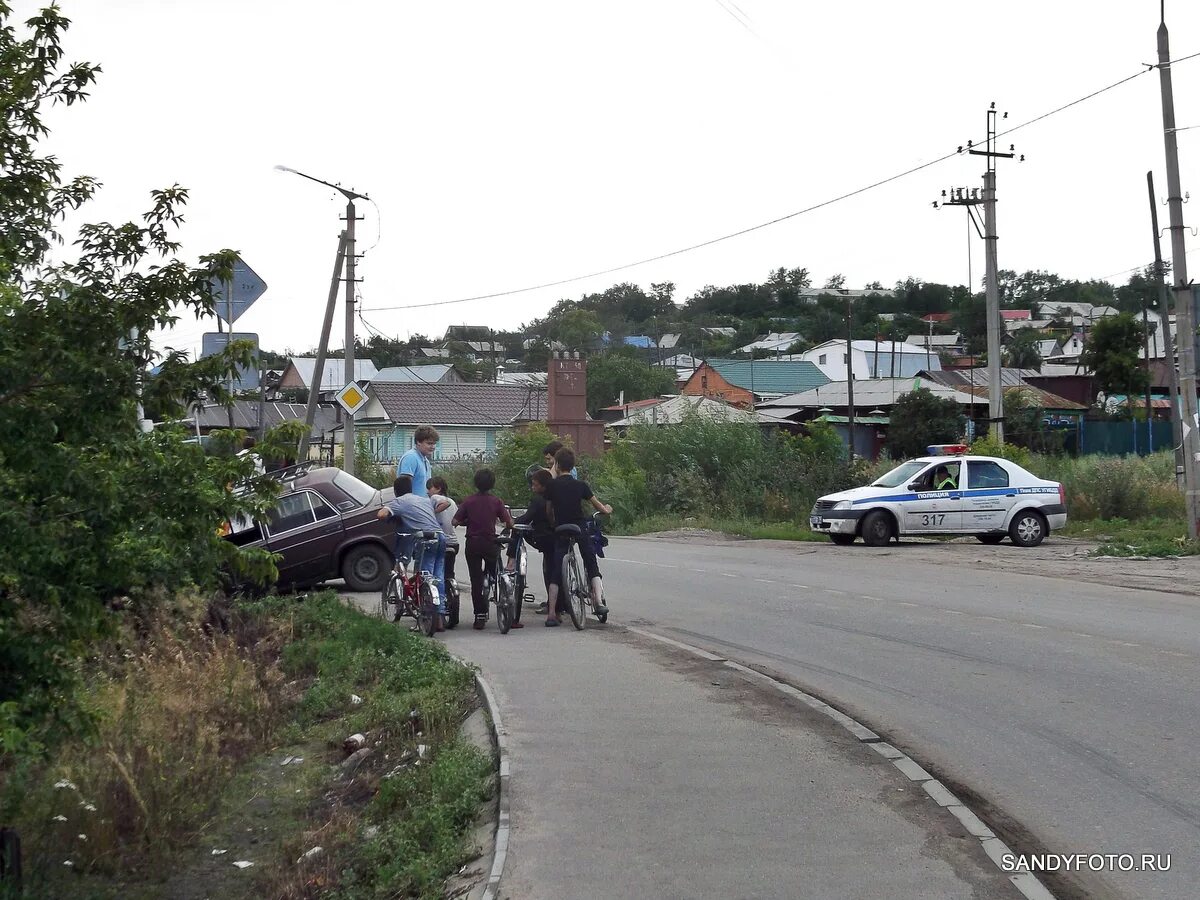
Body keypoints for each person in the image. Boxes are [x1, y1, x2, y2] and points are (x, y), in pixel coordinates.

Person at [544, 447, 612, 627]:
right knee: (590, 560)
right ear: (573, 466)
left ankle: (551, 613)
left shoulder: (551, 486)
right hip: (579, 527)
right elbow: (599, 507)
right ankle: (598, 602)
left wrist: (553, 523)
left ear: (557, 465)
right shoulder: (581, 485)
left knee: (557, 569)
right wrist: (607, 509)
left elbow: (549, 511)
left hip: (561, 528)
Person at [376, 474, 446, 631]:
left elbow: (380, 514)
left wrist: (390, 515)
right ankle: (440, 617)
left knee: (423, 576)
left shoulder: (399, 502)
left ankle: (425, 619)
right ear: (411, 489)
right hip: (440, 536)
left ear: (395, 491)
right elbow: (443, 503)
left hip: (424, 538)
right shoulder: (423, 500)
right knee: (438, 575)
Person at [453, 468, 515, 630]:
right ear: (492, 484)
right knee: (494, 571)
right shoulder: (496, 501)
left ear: (475, 483)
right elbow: (508, 523)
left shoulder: (468, 501)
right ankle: (497, 589)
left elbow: (454, 522)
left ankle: (479, 616)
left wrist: (467, 521)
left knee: (476, 580)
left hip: (473, 543)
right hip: (490, 543)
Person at [505, 468, 557, 620]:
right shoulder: (556, 497)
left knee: (517, 530)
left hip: (541, 537)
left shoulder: (539, 500)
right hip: (556, 537)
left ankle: (511, 561)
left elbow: (527, 518)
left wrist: (511, 522)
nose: (532, 487)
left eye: (534, 484)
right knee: (552, 567)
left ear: (543, 486)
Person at [428, 476, 461, 629]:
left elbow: (443, 504)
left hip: (439, 541)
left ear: (438, 488)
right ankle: (450, 597)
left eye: (430, 488)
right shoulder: (453, 501)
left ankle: (435, 608)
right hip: (454, 543)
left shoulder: (436, 498)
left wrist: (432, 513)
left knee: (435, 575)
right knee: (449, 574)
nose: (428, 492)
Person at [399, 425, 439, 497]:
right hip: (411, 506)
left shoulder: (425, 461)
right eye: (429, 443)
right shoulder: (411, 457)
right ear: (418, 442)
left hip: (423, 505)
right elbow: (403, 487)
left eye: (434, 443)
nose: (432, 447)